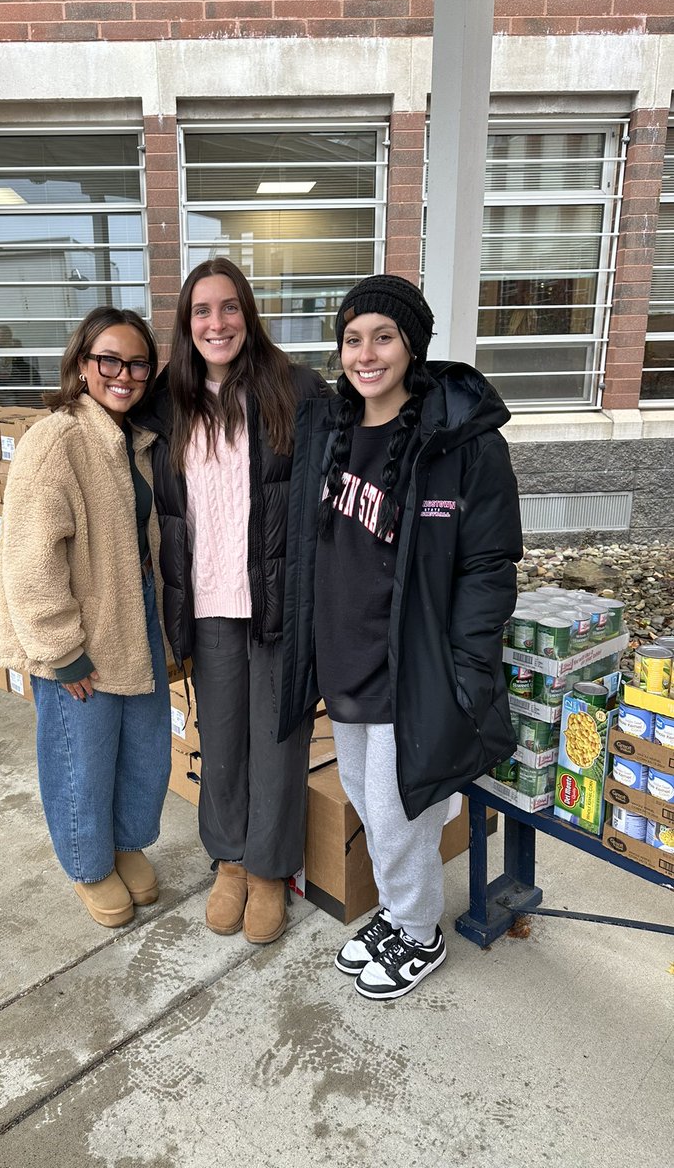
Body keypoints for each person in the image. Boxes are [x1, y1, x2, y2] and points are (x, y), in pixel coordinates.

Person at [278, 274, 522, 998]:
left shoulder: (462, 442)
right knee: (363, 793)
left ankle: (419, 932)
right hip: (346, 659)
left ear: (411, 344)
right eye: (352, 339)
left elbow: (487, 564)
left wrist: (467, 664)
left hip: (409, 666)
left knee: (397, 808)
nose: (365, 353)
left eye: (382, 335)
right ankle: (396, 907)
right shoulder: (334, 427)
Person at [141, 258, 331, 945]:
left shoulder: (299, 390)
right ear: (186, 324)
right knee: (220, 742)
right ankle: (228, 859)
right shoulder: (167, 403)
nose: (215, 323)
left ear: (247, 315)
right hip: (207, 603)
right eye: (201, 311)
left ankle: (270, 870)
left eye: (228, 308)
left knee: (278, 743)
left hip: (278, 603)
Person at [0, 306, 171, 929]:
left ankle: (125, 844)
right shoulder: (57, 439)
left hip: (135, 620)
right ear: (81, 365)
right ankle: (88, 865)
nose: (124, 375)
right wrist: (60, 647)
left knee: (144, 748)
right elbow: (28, 556)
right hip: (78, 634)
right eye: (109, 361)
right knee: (81, 758)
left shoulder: (131, 438)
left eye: (138, 364)